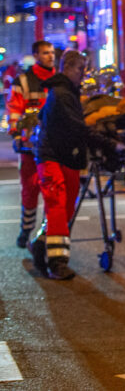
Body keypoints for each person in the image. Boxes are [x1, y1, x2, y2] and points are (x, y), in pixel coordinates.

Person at [30, 50, 125, 279]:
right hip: (51, 156)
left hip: (67, 156)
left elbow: (46, 118)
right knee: (57, 205)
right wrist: (110, 145)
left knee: (65, 208)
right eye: (80, 69)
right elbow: (78, 127)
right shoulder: (61, 94)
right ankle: (57, 263)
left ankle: (41, 245)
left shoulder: (67, 92)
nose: (83, 74)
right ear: (67, 68)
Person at [8, 41, 56, 248]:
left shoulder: (59, 79)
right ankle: (26, 229)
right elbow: (14, 109)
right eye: (46, 53)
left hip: (54, 145)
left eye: (52, 52)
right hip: (30, 146)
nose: (51, 56)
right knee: (30, 188)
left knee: (52, 190)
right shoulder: (23, 81)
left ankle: (46, 231)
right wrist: (16, 135)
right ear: (36, 55)